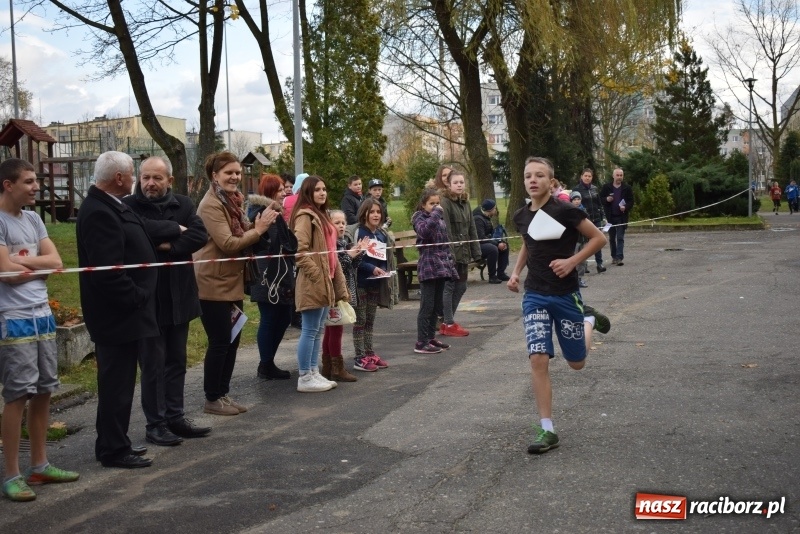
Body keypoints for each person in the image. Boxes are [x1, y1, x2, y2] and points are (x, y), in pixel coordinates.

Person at [507, 156, 610, 455]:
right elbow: (529, 242)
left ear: (551, 182)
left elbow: (598, 238)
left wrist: (572, 261)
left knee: (576, 364)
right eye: (528, 176)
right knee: (538, 358)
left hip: (566, 296)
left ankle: (587, 321)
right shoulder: (520, 215)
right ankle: (547, 430)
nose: (533, 180)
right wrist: (516, 273)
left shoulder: (567, 211)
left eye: (540, 175)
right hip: (535, 296)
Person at [0, 158, 79, 501]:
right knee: (18, 394)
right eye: (30, 181)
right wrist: (32, 266)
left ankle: (40, 465)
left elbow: (57, 262)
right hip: (12, 316)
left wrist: (22, 261)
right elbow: (7, 274)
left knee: (45, 388)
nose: (36, 187)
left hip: (42, 313)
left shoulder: (33, 219)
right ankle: (12, 474)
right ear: (8, 184)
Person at [77, 151, 158, 469]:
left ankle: (118, 441)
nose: (136, 179)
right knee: (115, 384)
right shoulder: (98, 210)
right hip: (117, 315)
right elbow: (107, 270)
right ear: (120, 178)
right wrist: (136, 297)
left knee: (122, 382)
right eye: (132, 174)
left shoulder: (110, 203)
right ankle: (112, 448)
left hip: (126, 314)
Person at [123, 156, 211, 444]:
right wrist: (174, 230)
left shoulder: (184, 205)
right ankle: (155, 423)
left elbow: (200, 235)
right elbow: (135, 232)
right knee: (153, 364)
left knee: (177, 360)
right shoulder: (128, 207)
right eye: (145, 177)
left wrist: (165, 247)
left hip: (180, 296)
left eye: (156, 178)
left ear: (169, 181)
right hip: (148, 299)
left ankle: (175, 416)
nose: (150, 183)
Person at [194, 152, 276, 415]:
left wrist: (256, 226)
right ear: (214, 175)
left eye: (237, 172)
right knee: (220, 341)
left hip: (231, 281)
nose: (234, 177)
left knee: (232, 339)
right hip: (213, 283)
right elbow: (228, 244)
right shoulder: (211, 204)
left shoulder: (232, 201)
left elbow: (240, 235)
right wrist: (258, 230)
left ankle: (223, 394)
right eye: (228, 172)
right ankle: (211, 398)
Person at [290, 176, 349, 392]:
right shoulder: (305, 216)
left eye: (324, 189)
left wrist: (332, 278)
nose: (322, 193)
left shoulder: (321, 215)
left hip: (327, 280)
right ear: (307, 193)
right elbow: (300, 250)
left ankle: (314, 371)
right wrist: (317, 275)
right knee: (309, 330)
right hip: (313, 282)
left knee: (317, 331)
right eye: (317, 190)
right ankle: (305, 376)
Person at [247, 174, 296, 381]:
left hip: (280, 273)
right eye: (279, 188)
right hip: (267, 275)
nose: (284, 191)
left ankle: (267, 361)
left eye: (284, 187)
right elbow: (268, 242)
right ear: (269, 192)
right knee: (269, 318)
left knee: (284, 316)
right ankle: (266, 363)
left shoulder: (275, 213)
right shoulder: (262, 213)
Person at [321, 210, 368, 381]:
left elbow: (352, 266)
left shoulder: (343, 242)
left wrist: (359, 251)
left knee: (332, 327)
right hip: (335, 291)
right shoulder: (331, 244)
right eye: (337, 222)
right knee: (335, 328)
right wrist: (350, 255)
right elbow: (337, 266)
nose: (341, 226)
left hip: (343, 289)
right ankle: (336, 367)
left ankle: (328, 366)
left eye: (343, 222)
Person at [411, 188, 459, 354]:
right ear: (423, 204)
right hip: (428, 267)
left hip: (441, 266)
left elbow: (444, 244)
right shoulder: (419, 217)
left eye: (438, 203)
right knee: (427, 305)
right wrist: (435, 214)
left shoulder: (440, 219)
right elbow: (424, 232)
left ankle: (430, 337)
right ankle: (421, 341)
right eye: (432, 204)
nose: (436, 206)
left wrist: (450, 266)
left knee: (437, 305)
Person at [436, 169, 482, 337]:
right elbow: (445, 229)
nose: (459, 185)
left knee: (461, 286)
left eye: (462, 182)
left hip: (464, 252)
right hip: (451, 253)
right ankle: (448, 322)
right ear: (449, 184)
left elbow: (472, 228)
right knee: (449, 286)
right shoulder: (445, 202)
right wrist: (449, 253)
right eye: (456, 182)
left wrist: (476, 252)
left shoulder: (466, 203)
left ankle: (448, 320)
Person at [351, 198, 391, 371]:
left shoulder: (381, 234)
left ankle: (369, 353)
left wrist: (383, 270)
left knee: (370, 320)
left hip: (375, 284)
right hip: (361, 283)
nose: (375, 215)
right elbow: (357, 260)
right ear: (364, 213)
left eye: (378, 212)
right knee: (360, 320)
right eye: (372, 212)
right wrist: (371, 268)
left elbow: (382, 258)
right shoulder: (361, 233)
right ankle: (359, 357)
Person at [572, 168, 607, 273]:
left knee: (598, 240)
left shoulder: (595, 189)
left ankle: (599, 263)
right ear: (581, 176)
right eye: (585, 176)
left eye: (589, 176)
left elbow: (599, 204)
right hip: (584, 220)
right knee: (584, 243)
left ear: (592, 178)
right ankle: (584, 264)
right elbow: (573, 204)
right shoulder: (576, 189)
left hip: (596, 218)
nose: (587, 178)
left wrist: (603, 217)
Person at [600, 168, 634, 266]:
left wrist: (625, 207)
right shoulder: (606, 187)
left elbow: (631, 201)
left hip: (621, 217)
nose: (619, 177)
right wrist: (606, 199)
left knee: (620, 238)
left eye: (621, 175)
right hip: (610, 217)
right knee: (611, 238)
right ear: (613, 176)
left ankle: (619, 257)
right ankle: (614, 256)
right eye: (617, 175)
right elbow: (600, 199)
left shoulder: (627, 188)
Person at [472, 198, 510, 284]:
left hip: (484, 242)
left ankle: (501, 273)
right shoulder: (478, 219)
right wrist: (497, 243)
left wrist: (500, 242)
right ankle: (492, 276)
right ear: (490, 210)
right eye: (495, 208)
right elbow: (481, 238)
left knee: (504, 245)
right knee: (492, 249)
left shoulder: (486, 216)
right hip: (476, 246)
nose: (496, 210)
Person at [570, 190, 589, 288]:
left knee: (582, 260)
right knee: (573, 259)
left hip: (583, 239)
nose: (577, 201)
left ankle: (580, 278)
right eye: (575, 199)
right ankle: (571, 279)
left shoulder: (584, 211)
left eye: (578, 199)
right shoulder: (568, 211)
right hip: (573, 240)